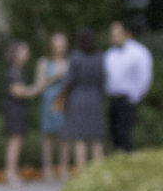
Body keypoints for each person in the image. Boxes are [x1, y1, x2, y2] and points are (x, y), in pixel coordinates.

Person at [103, 18, 153, 153]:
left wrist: (135, 97)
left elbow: (144, 78)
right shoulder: (110, 54)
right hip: (113, 98)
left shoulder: (139, 52)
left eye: (116, 34)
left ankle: (127, 159)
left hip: (127, 99)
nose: (113, 37)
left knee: (125, 134)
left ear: (126, 33)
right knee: (114, 134)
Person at [62, 26, 107, 172]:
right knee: (96, 139)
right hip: (95, 98)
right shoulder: (99, 57)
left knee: (80, 139)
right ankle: (98, 172)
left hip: (77, 99)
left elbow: (69, 81)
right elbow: (102, 80)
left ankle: (81, 172)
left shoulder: (75, 57)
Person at [36, 31, 70, 182]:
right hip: (49, 101)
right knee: (47, 136)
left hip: (63, 101)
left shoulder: (69, 63)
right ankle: (47, 169)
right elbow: (40, 85)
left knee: (64, 136)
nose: (59, 48)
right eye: (57, 45)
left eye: (62, 45)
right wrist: (55, 76)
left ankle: (63, 168)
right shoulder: (44, 62)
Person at [0, 40, 35, 186]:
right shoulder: (13, 72)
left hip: (19, 109)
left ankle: (12, 171)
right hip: (14, 110)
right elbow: (17, 91)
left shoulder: (19, 71)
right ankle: (10, 173)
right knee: (15, 141)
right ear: (15, 54)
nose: (26, 55)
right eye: (23, 52)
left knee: (17, 141)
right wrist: (34, 89)